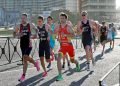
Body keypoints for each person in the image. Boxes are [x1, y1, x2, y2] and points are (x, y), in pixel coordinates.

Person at [54, 12, 80, 81]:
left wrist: (66, 35)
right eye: (60, 18)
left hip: (69, 46)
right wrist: (56, 37)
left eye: (63, 18)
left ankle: (77, 63)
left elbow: (74, 35)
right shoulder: (58, 27)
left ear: (66, 19)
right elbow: (54, 34)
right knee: (59, 58)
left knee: (72, 60)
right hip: (62, 47)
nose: (61, 19)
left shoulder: (68, 27)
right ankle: (60, 75)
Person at [14, 13, 40, 82]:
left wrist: (35, 35)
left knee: (25, 57)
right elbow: (14, 34)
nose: (22, 19)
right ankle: (34, 64)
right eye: (21, 18)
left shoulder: (30, 25)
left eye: (24, 18)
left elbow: (37, 30)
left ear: (26, 18)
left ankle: (24, 75)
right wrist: (18, 34)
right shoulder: (18, 26)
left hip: (29, 44)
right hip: (22, 44)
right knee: (25, 60)